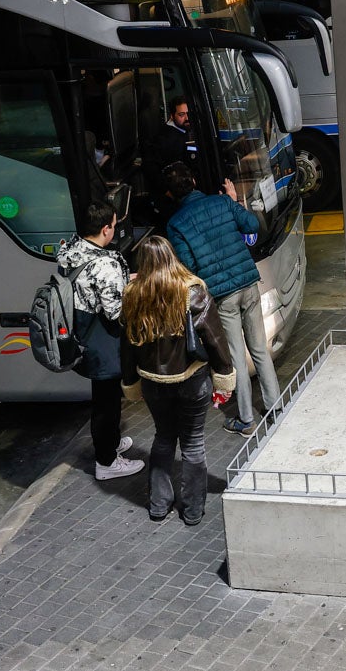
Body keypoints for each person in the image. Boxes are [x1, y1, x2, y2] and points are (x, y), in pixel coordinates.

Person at [120, 236, 235, 525]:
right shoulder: (192, 293)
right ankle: (193, 511)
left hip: (153, 382)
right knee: (193, 444)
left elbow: (126, 345)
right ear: (172, 257)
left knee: (163, 438)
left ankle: (159, 506)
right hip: (192, 380)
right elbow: (215, 339)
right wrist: (224, 377)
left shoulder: (132, 295)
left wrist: (130, 381)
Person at [163, 162, 282, 436]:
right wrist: (234, 201)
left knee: (236, 356)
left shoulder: (175, 224)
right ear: (193, 180)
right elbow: (251, 224)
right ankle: (276, 406)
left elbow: (189, 265)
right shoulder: (222, 203)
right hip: (248, 282)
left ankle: (246, 419)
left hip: (222, 295)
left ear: (170, 195)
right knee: (259, 348)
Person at [57, 200, 143, 481]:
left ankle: (112, 442)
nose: (115, 230)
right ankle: (106, 462)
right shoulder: (104, 263)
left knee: (105, 397)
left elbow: (90, 287)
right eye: (114, 226)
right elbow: (115, 310)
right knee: (106, 402)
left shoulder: (72, 250)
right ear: (106, 229)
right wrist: (132, 288)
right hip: (102, 339)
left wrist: (121, 278)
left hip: (83, 332)